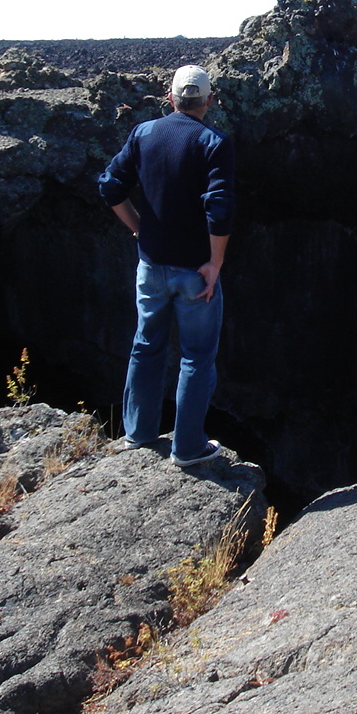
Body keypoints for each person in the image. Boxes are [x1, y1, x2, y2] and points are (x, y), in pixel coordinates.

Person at [98, 65, 234, 467]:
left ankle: (138, 433)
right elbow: (220, 209)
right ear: (209, 101)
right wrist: (215, 262)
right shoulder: (214, 141)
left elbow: (109, 187)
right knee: (196, 357)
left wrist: (138, 229)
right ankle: (188, 448)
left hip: (151, 266)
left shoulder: (143, 133)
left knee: (146, 346)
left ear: (170, 98)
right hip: (194, 271)